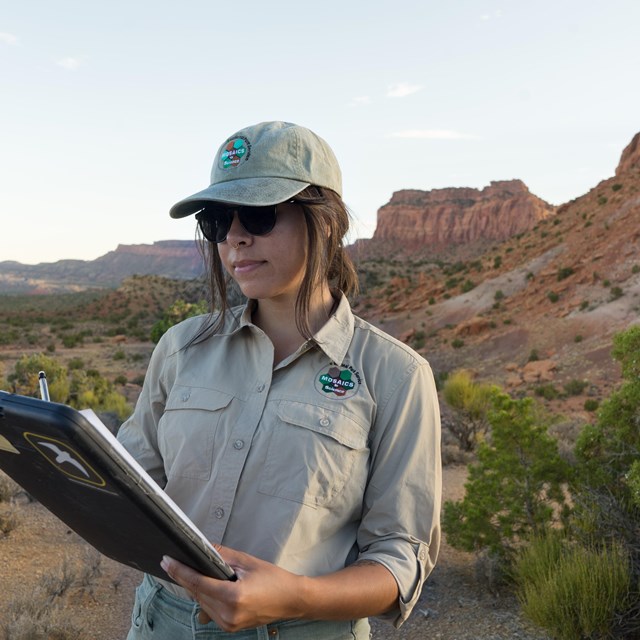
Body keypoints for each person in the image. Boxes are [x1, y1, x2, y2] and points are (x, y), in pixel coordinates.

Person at [117, 120, 441, 640]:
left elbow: (400, 558)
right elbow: (133, 487)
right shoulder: (180, 348)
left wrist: (294, 595)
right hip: (162, 623)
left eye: (261, 215)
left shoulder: (396, 375)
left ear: (328, 222)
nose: (237, 237)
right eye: (219, 221)